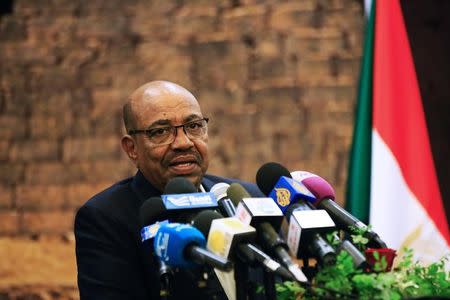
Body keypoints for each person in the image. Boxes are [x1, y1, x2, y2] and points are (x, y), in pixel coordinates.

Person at [74, 80, 264, 299]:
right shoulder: (106, 218)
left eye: (193, 126)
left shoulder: (247, 200)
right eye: (161, 131)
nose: (183, 143)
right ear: (132, 148)